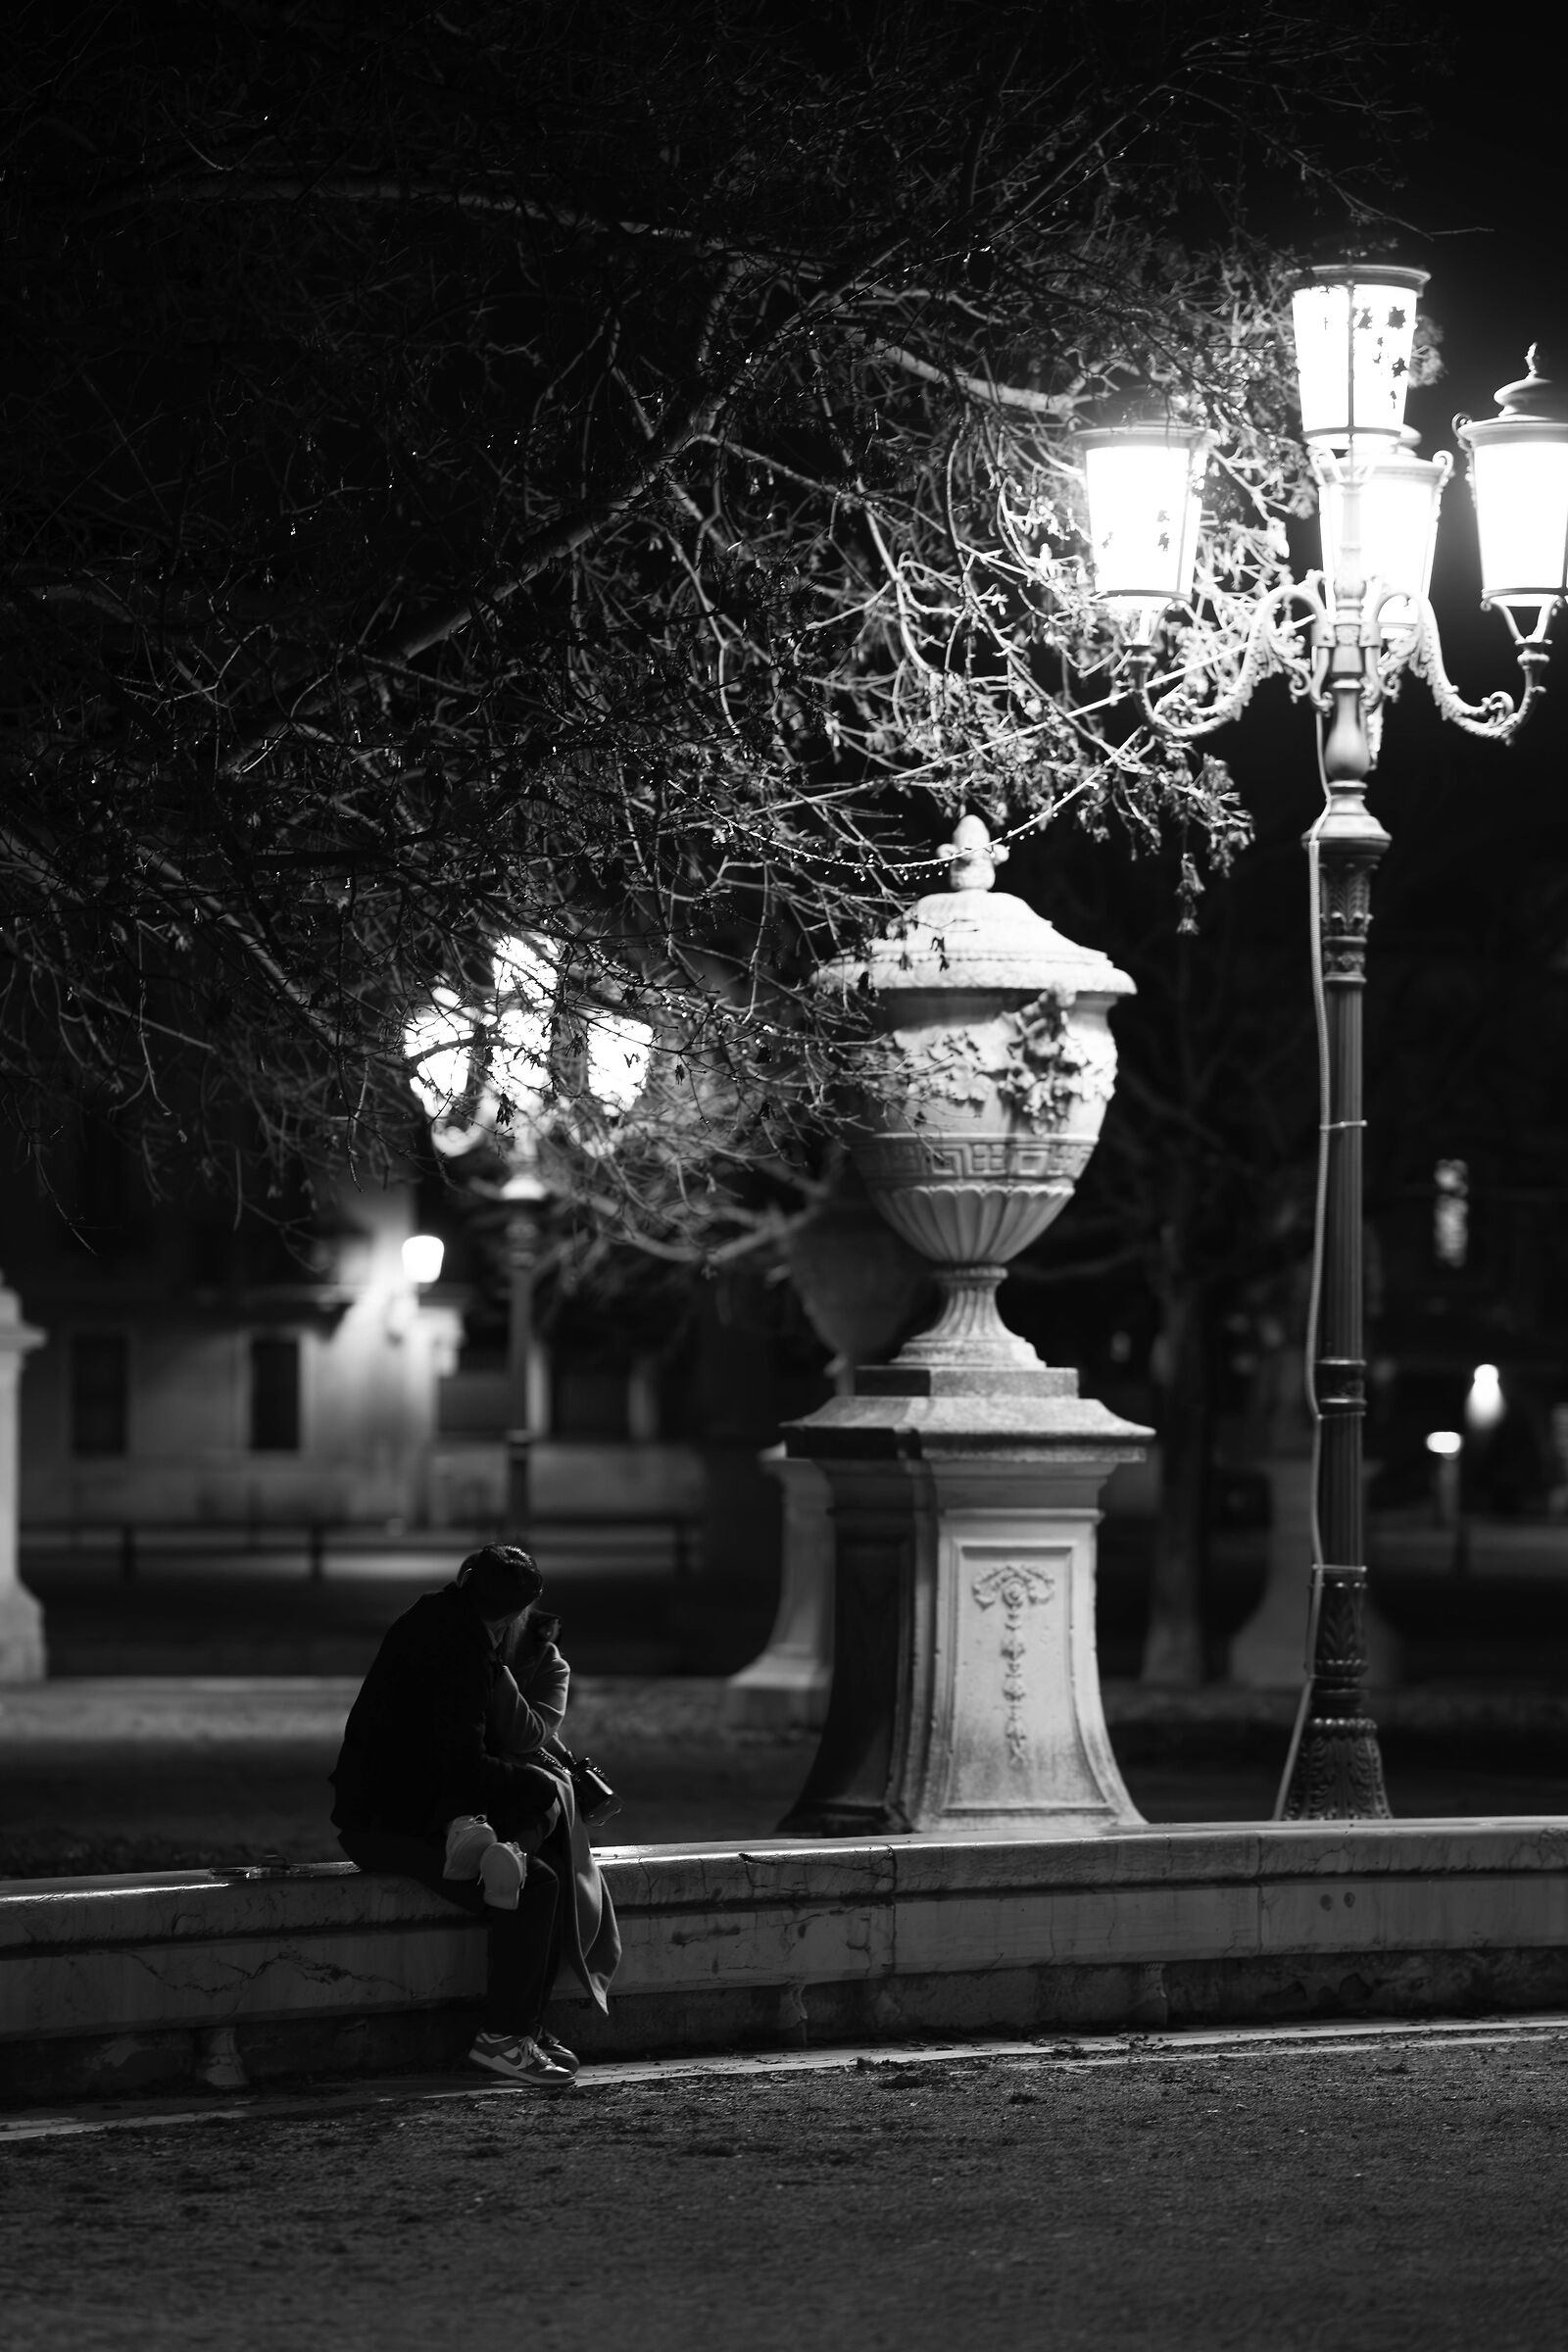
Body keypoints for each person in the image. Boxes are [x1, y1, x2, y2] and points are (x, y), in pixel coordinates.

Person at [329, 1544, 583, 2090]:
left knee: (538, 1866)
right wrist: (535, 1783)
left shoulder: (425, 1619)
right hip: (390, 1826)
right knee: (536, 1884)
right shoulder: (469, 1651)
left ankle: (526, 2028)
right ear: (514, 1612)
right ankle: (504, 2039)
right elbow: (461, 1761)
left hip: (390, 1810)